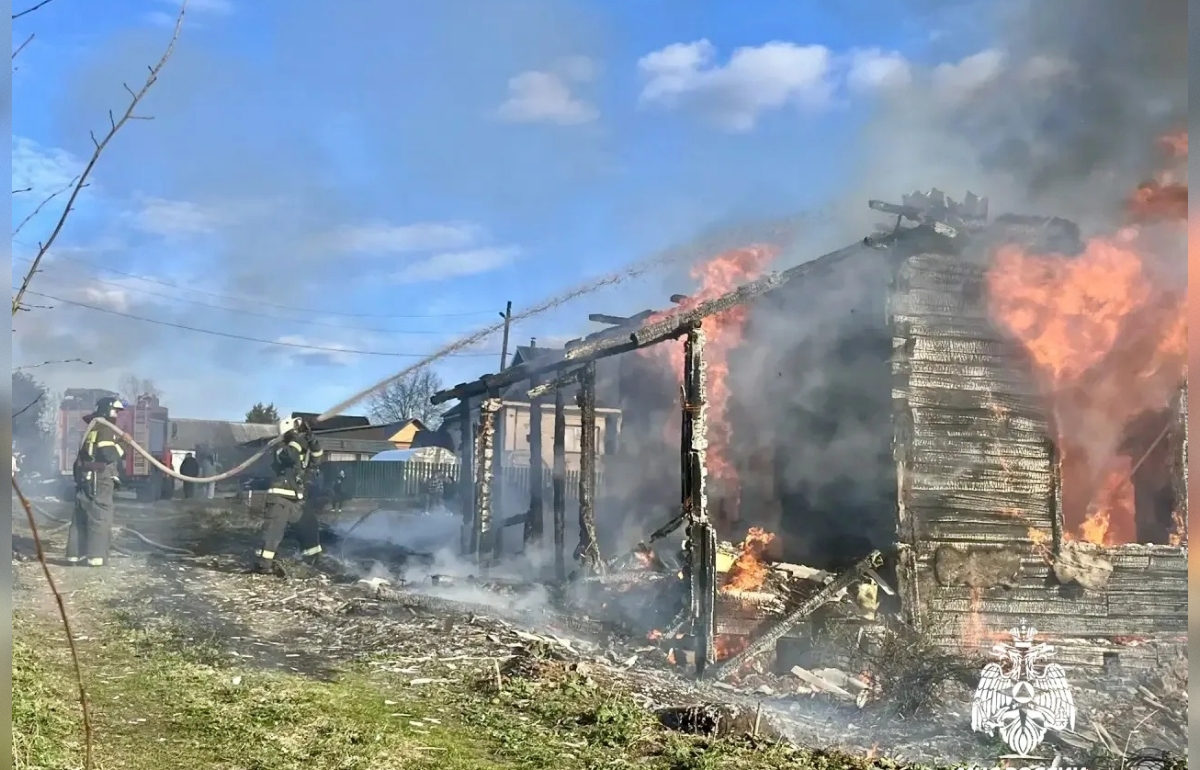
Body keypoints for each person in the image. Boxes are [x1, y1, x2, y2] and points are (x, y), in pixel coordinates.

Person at [253, 416, 336, 576]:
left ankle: (313, 558)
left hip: (297, 500)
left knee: (309, 525)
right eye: (296, 431)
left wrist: (312, 439)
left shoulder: (298, 447)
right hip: (279, 499)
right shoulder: (279, 447)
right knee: (274, 532)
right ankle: (264, 565)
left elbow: (317, 457)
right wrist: (296, 438)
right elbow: (290, 456)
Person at [66, 397, 127, 567]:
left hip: (86, 477)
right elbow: (108, 454)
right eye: (115, 411)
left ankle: (74, 555)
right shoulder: (106, 428)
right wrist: (124, 444)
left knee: (81, 516)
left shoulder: (93, 427)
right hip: (100, 479)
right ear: (107, 409)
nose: (116, 415)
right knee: (100, 516)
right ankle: (96, 557)